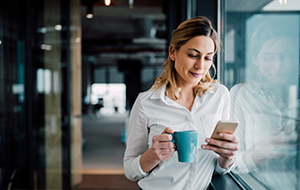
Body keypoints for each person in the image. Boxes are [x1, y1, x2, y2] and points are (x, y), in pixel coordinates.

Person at [123, 16, 239, 190]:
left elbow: (218, 167)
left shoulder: (219, 95)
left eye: (208, 58)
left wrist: (228, 156)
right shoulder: (147, 102)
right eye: (193, 55)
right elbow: (130, 171)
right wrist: (153, 155)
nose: (200, 66)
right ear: (172, 52)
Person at [230, 16, 299, 190]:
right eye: (269, 58)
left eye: (288, 56)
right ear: (255, 59)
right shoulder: (241, 95)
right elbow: (230, 162)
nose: (279, 66)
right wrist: (262, 153)